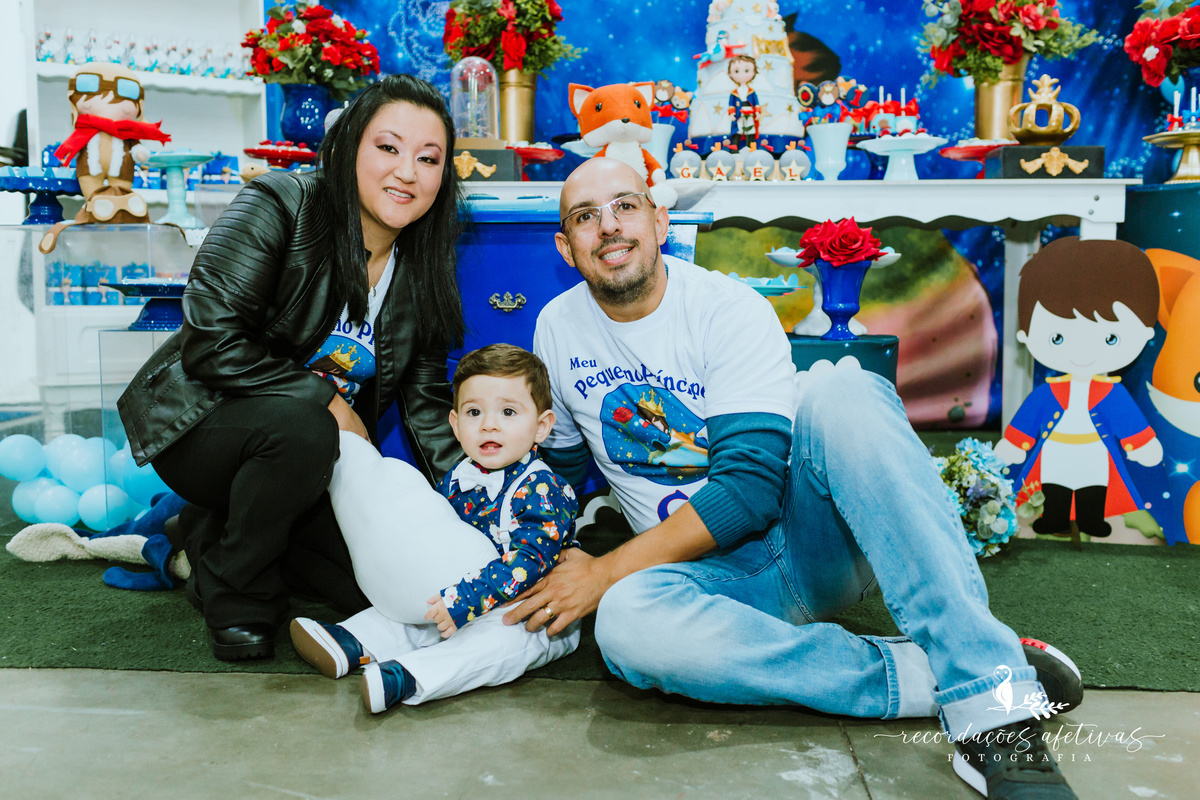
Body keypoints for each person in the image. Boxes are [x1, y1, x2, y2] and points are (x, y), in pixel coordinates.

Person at [504, 157, 1086, 799]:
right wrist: (537, 554)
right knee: (625, 627)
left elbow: (749, 493)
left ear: (660, 219)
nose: (608, 227)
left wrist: (605, 570)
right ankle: (926, 675)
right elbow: (557, 469)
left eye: (625, 206)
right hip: (708, 582)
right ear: (565, 245)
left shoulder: (726, 307)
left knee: (842, 389)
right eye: (585, 217)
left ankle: (992, 711)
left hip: (808, 542)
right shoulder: (556, 327)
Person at [116, 74, 466, 662]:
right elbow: (211, 342)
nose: (407, 171)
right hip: (202, 424)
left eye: (428, 158)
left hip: (311, 458)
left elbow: (428, 405)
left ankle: (203, 531)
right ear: (351, 145)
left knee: (365, 585)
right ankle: (235, 592)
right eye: (388, 147)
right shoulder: (281, 202)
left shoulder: (423, 263)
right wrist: (328, 401)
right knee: (305, 428)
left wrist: (476, 498)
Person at [289, 344, 581, 712]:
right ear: (456, 425)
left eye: (508, 412)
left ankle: (412, 675)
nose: (489, 424)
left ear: (541, 427)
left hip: (533, 605)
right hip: (463, 591)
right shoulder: (460, 475)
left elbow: (529, 564)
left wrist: (463, 600)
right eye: (474, 412)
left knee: (501, 641)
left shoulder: (542, 488)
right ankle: (355, 641)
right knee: (420, 611)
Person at [994, 237, 1163, 538]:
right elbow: (1028, 419)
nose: (1082, 352)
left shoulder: (1113, 393)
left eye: (1111, 338)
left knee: (1093, 484)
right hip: (1055, 448)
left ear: (1144, 333)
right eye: (1057, 337)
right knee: (1054, 484)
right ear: (1025, 335)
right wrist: (1013, 445)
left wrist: (1141, 444)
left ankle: (1090, 520)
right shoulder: (1048, 392)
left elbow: (1129, 422)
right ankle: (1054, 518)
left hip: (1095, 450)